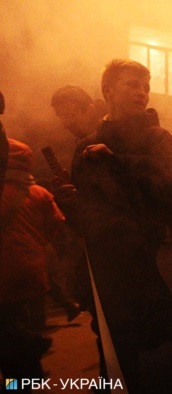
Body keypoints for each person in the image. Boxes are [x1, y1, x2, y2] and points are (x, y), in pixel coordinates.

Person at [58, 59, 172, 391]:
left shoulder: (158, 139)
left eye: (146, 86)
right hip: (105, 272)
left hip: (150, 269)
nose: (142, 92)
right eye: (132, 84)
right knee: (113, 355)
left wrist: (118, 165)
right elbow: (86, 218)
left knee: (158, 358)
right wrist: (69, 204)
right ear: (108, 91)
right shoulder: (85, 146)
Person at [0, 139, 66, 388]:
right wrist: (37, 244)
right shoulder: (39, 192)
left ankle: (26, 356)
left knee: (7, 335)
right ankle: (32, 370)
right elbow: (56, 224)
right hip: (33, 269)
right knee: (18, 321)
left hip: (4, 273)